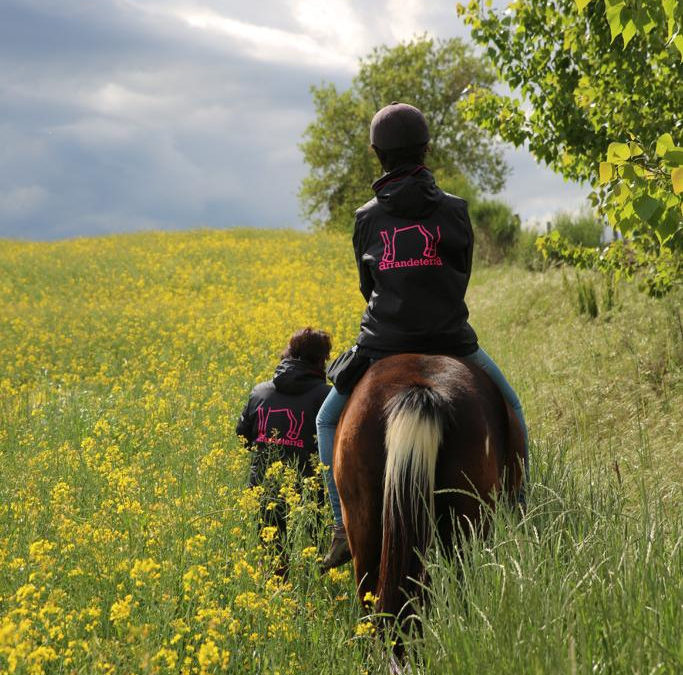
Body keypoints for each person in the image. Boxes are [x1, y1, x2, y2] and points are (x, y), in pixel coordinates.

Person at [316, 102, 529, 571]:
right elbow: (462, 273)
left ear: (378, 155)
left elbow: (366, 287)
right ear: (426, 149)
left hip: (382, 344)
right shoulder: (455, 211)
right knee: (512, 409)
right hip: (452, 341)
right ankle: (520, 506)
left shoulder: (366, 217)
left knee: (327, 422)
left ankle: (340, 527)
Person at [236, 328, 332, 563]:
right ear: (321, 360)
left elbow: (242, 435)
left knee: (272, 556)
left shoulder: (260, 391)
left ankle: (274, 594)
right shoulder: (327, 396)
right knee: (318, 549)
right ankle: (315, 591)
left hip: (264, 483)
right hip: (311, 486)